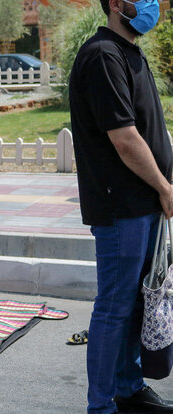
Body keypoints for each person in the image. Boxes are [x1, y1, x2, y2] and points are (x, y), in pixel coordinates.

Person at [69, 0, 173, 412]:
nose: (152, 3)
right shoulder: (102, 55)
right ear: (116, 4)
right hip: (121, 208)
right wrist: (165, 187)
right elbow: (125, 139)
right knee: (114, 307)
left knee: (135, 303)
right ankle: (102, 406)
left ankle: (128, 390)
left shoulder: (129, 52)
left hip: (143, 204)